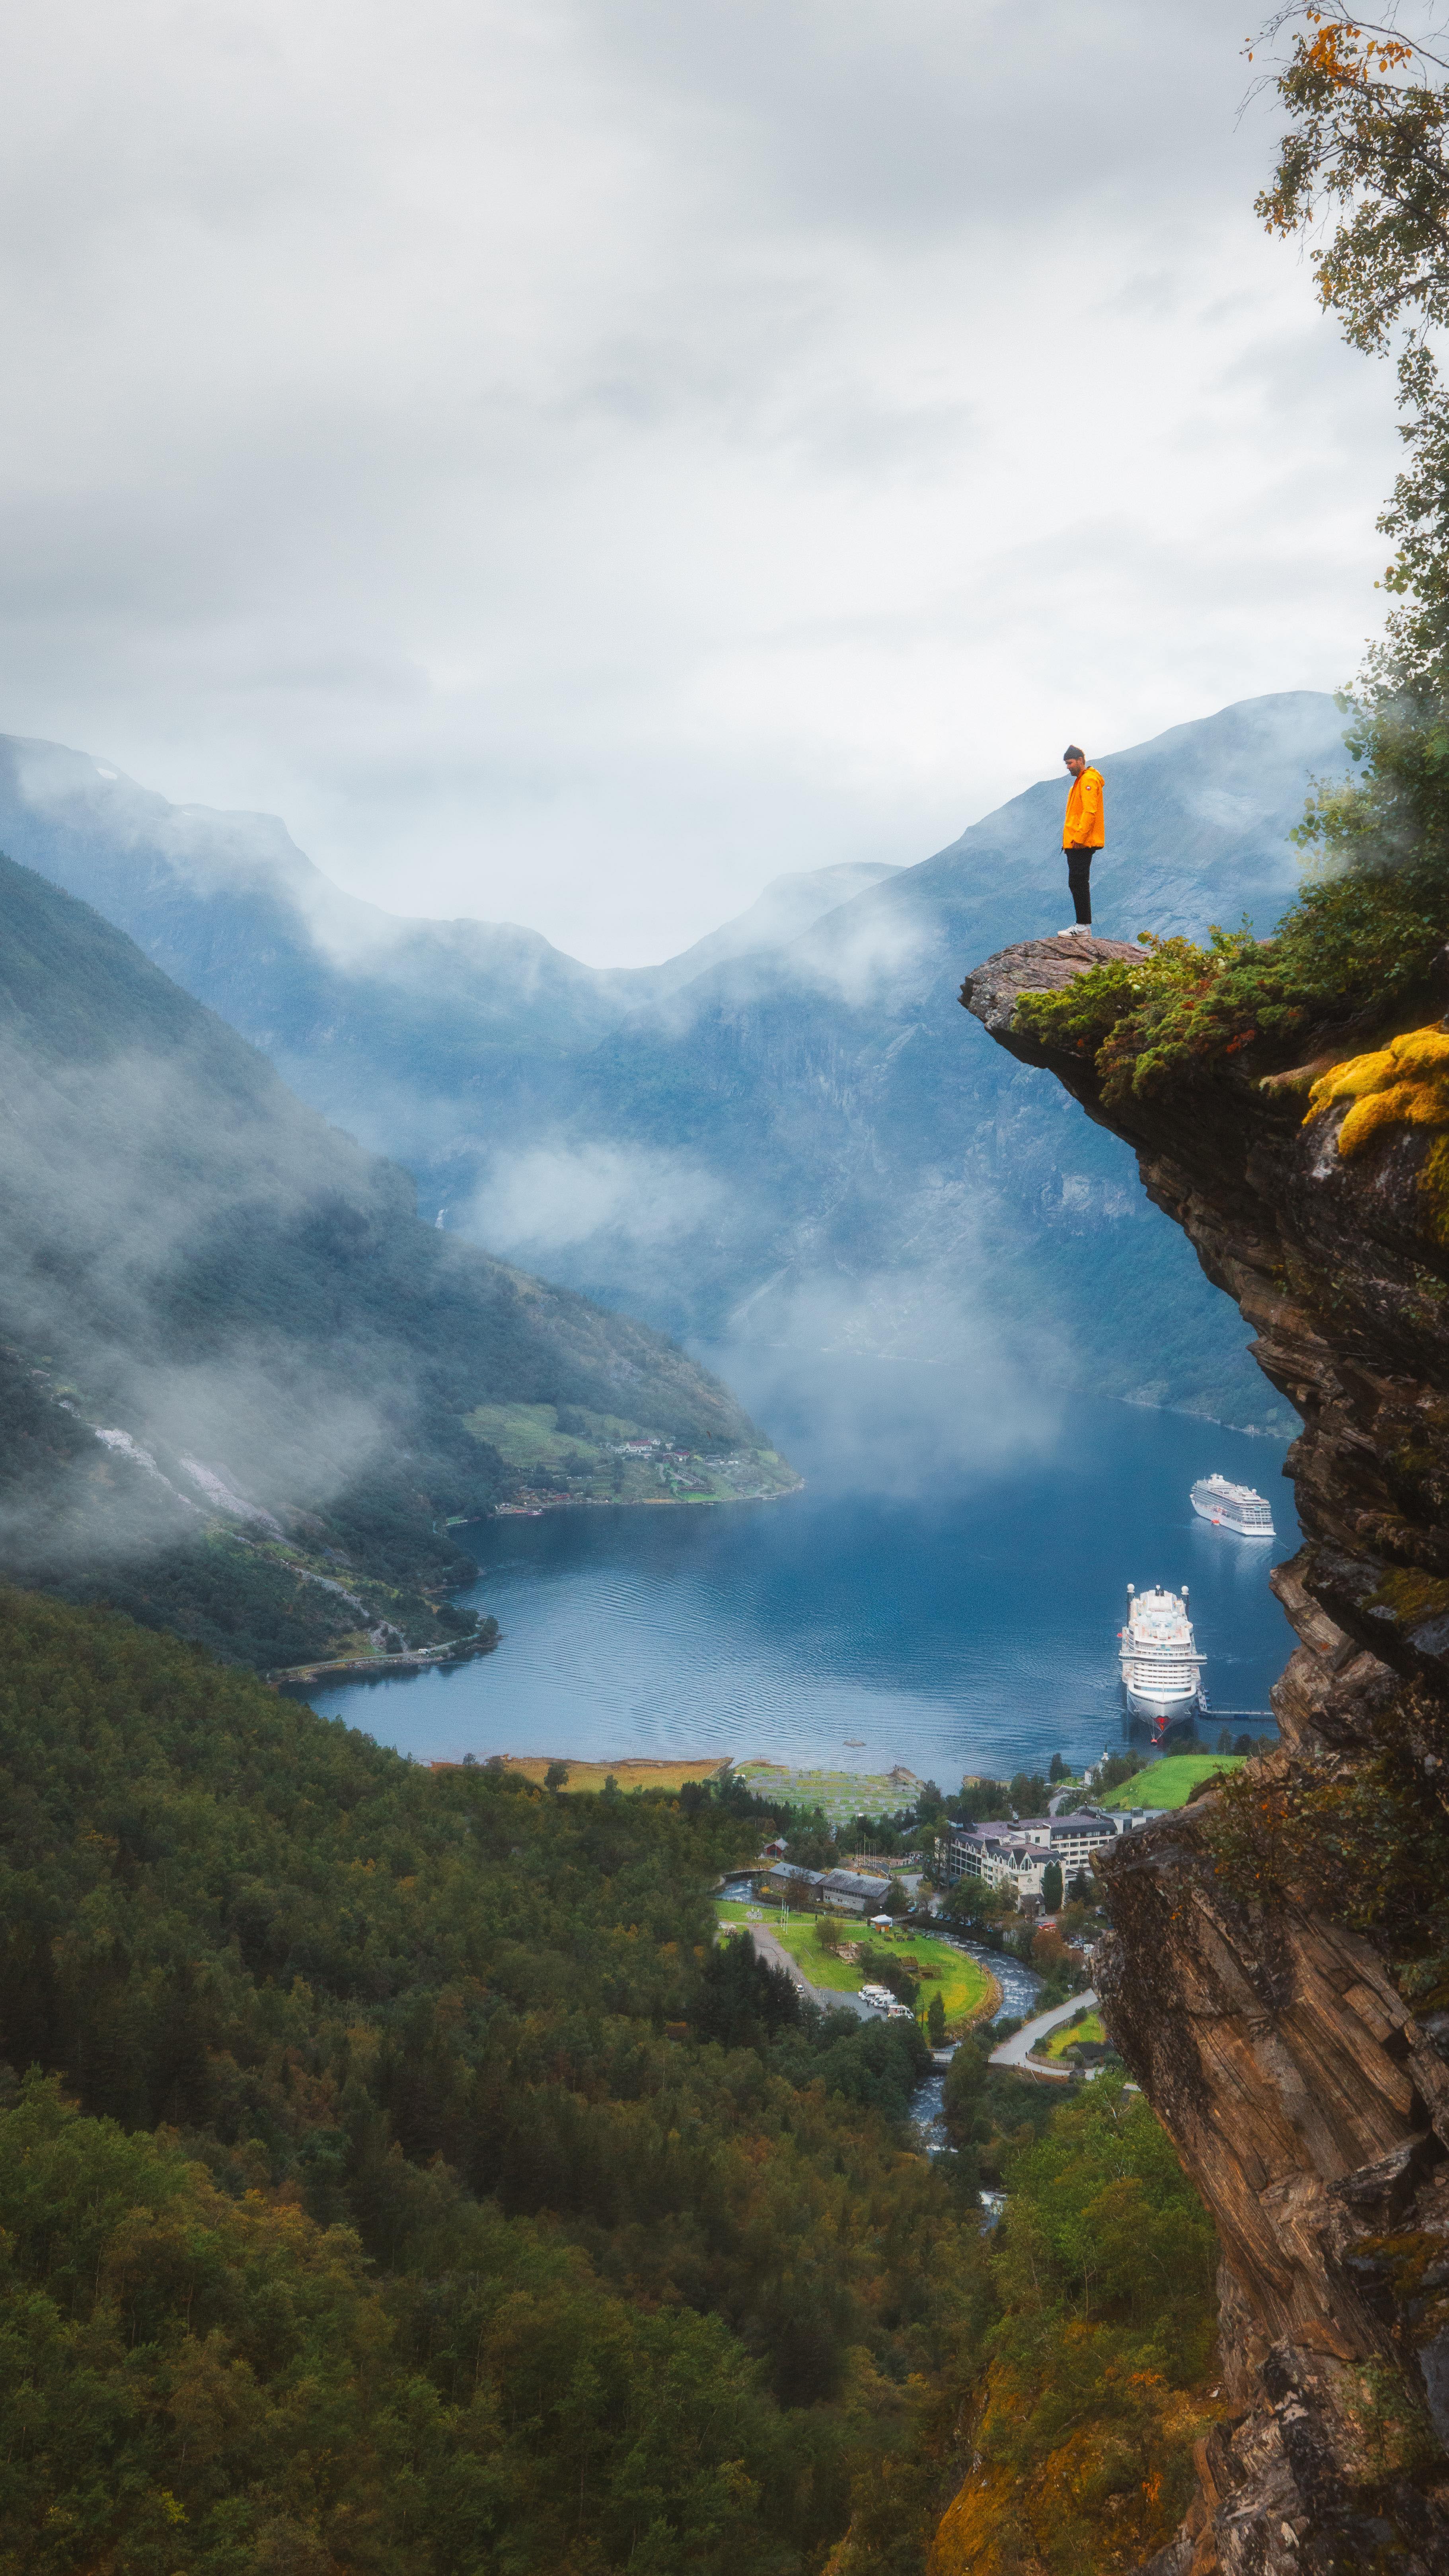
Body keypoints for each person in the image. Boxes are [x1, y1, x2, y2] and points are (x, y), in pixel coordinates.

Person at [1059, 744, 1104, 934]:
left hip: (1081, 843)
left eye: (1070, 763)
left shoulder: (1088, 780)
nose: (1068, 767)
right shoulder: (1080, 782)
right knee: (1077, 882)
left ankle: (1083, 927)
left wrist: (1079, 838)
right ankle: (1082, 925)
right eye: (1066, 764)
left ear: (1080, 761)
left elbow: (1090, 811)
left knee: (1079, 882)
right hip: (1076, 842)